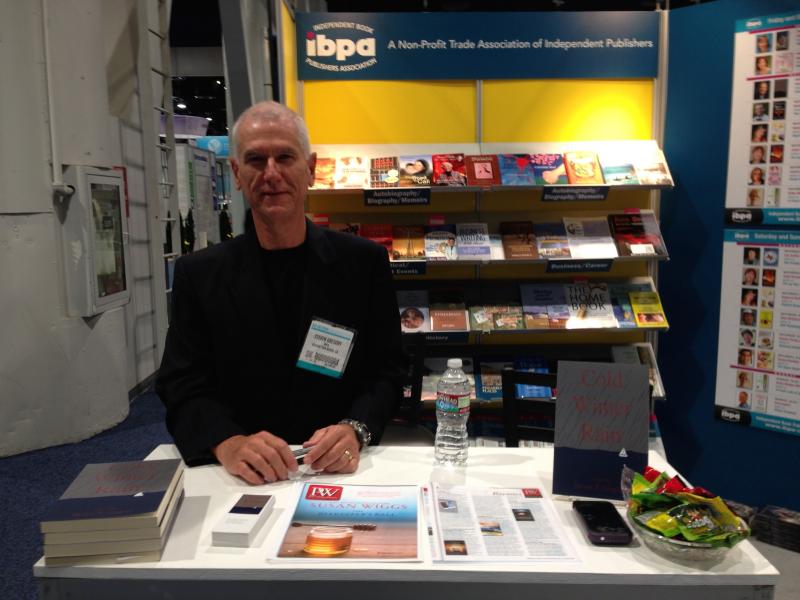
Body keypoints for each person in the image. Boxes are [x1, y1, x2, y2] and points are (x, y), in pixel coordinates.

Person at [156, 101, 406, 485]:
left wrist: (356, 428)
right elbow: (181, 383)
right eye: (256, 160)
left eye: (285, 157)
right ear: (237, 174)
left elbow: (387, 370)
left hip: (337, 471)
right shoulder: (199, 274)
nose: (271, 173)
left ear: (310, 168)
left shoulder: (363, 263)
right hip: (241, 477)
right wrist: (227, 442)